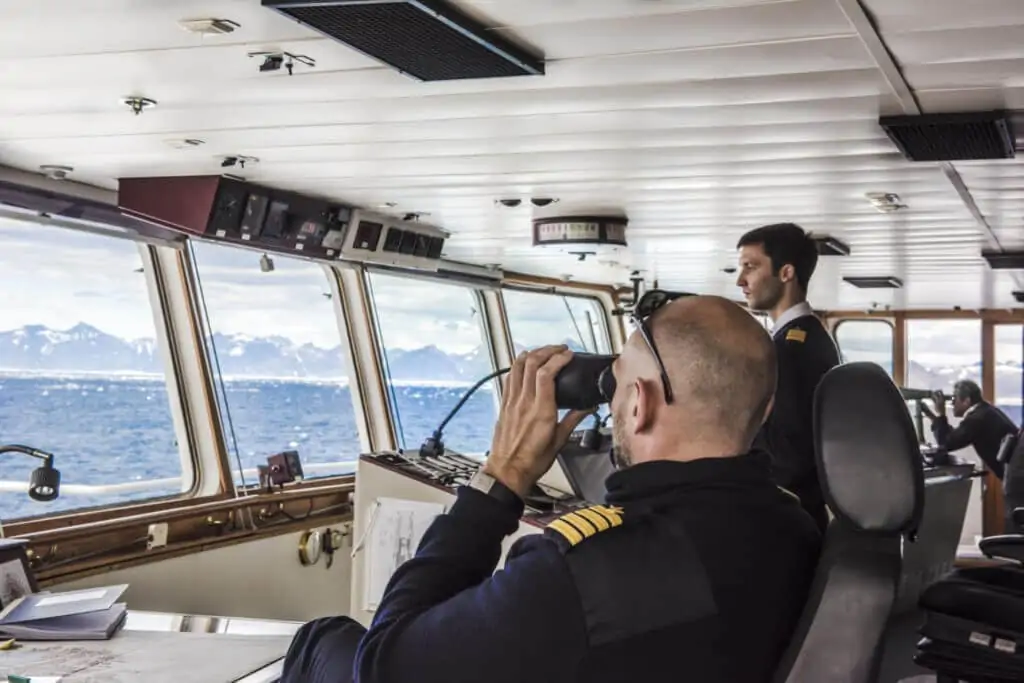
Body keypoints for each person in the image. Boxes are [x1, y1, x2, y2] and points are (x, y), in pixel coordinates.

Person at [281, 295, 821, 683]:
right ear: (765, 408)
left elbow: (385, 666)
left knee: (322, 641)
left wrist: (504, 474)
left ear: (640, 403)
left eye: (614, 385)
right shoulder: (793, 526)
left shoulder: (584, 573)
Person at [736, 222, 841, 532]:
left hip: (786, 519)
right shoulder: (808, 336)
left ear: (786, 273)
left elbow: (788, 456)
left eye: (751, 267)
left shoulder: (790, 350)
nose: (741, 280)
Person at [921, 379, 1017, 479]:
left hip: (1017, 474)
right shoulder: (985, 411)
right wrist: (932, 417)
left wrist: (941, 414)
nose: (952, 404)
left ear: (966, 401)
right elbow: (955, 435)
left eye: (955, 399)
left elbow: (946, 442)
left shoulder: (976, 419)